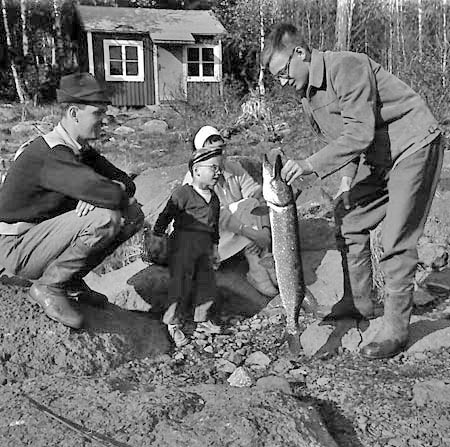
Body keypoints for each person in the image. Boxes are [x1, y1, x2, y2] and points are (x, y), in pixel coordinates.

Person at [262, 23, 443, 360]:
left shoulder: (348, 66)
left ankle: (395, 329)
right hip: (378, 158)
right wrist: (347, 179)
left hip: (413, 146)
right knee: (348, 217)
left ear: (300, 52)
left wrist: (308, 164)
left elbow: (359, 134)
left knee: (396, 239)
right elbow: (344, 139)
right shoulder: (308, 94)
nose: (283, 82)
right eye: (277, 78)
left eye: (284, 71)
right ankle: (358, 301)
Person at [0, 73, 144, 329]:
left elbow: (125, 182)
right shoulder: (52, 153)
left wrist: (102, 193)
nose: (104, 120)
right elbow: (110, 195)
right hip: (17, 248)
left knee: (133, 214)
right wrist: (101, 195)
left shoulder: (81, 151)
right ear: (75, 113)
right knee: (104, 217)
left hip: (43, 240)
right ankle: (50, 286)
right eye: (98, 113)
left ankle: (71, 281)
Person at [183, 126, 278, 297]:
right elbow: (217, 216)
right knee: (241, 208)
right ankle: (257, 270)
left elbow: (259, 198)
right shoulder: (194, 179)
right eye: (212, 151)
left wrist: (264, 232)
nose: (219, 155)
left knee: (253, 203)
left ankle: (263, 260)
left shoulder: (233, 168)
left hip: (235, 233)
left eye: (221, 149)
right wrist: (253, 234)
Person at [152, 146, 222, 347]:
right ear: (196, 170)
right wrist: (157, 235)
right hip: (183, 242)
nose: (218, 173)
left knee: (207, 282)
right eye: (213, 168)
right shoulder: (183, 193)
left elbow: (214, 226)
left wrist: (215, 248)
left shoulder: (215, 199)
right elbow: (166, 215)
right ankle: (172, 322)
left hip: (205, 246)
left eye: (219, 169)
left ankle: (202, 318)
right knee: (181, 281)